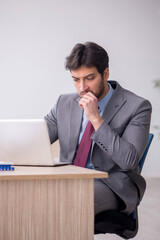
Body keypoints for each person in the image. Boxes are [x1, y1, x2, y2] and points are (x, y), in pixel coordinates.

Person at [44, 42, 152, 216]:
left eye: (89, 78)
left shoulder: (137, 106)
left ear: (105, 73)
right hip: (69, 179)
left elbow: (129, 160)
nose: (82, 88)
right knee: (27, 197)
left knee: (71, 203)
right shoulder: (63, 103)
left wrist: (96, 119)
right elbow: (37, 138)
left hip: (111, 184)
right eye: (76, 79)